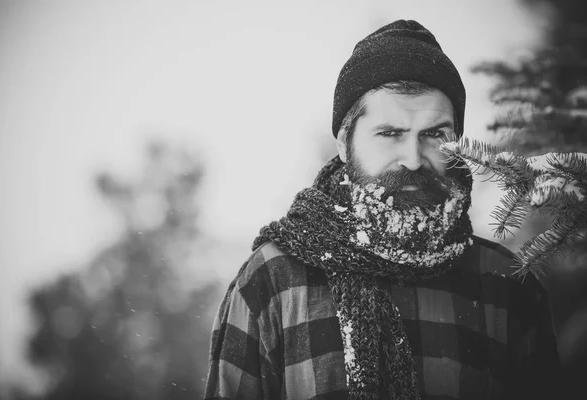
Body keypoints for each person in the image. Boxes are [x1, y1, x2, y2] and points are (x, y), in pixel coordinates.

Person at [203, 20, 561, 400]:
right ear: (345, 142)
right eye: (390, 133)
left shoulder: (506, 283)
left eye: (435, 134)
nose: (412, 158)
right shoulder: (273, 280)